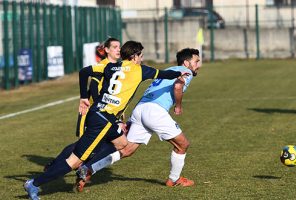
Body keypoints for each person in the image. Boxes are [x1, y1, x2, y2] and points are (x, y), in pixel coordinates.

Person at [23, 41, 189, 200]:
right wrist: (179, 73)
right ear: (134, 56)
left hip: (101, 115)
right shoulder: (140, 70)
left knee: (122, 143)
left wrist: (83, 97)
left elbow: (84, 72)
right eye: (141, 56)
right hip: (102, 119)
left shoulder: (110, 66)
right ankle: (35, 184)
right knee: (74, 161)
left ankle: (87, 167)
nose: (142, 59)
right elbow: (164, 74)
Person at [75, 48, 201, 191]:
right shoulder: (185, 71)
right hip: (154, 111)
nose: (198, 65)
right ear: (186, 63)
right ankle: (174, 179)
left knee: (128, 150)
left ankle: (88, 169)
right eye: (196, 61)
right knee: (182, 144)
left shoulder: (169, 69)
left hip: (140, 109)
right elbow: (178, 86)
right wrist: (178, 106)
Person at [42, 38, 122, 173]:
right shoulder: (103, 65)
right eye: (114, 47)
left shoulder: (119, 67)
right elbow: (94, 87)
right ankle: (54, 166)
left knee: (102, 143)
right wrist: (99, 106)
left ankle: (83, 168)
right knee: (81, 145)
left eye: (119, 47)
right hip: (92, 111)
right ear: (107, 50)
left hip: (106, 113)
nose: (118, 49)